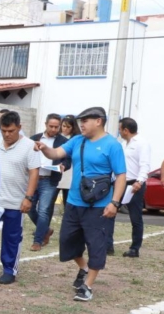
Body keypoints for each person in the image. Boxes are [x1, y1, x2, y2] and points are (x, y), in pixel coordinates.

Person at [35, 107, 126, 302]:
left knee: (96, 245)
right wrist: (44, 148)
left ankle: (88, 286)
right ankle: (83, 268)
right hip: (74, 202)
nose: (81, 124)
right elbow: (55, 153)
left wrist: (115, 203)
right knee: (67, 242)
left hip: (99, 205)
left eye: (85, 121)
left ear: (99, 121)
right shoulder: (77, 141)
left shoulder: (112, 145)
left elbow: (120, 176)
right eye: (80, 121)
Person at [0, 110, 39, 285]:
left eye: (11, 130)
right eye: (4, 130)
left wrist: (28, 198)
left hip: (16, 201)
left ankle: (10, 269)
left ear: (19, 127)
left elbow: (34, 174)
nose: (7, 134)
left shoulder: (30, 146)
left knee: (12, 238)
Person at [28, 113, 69, 251]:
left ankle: (37, 241)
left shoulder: (64, 141)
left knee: (44, 210)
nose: (53, 129)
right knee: (29, 208)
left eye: (56, 127)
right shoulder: (34, 139)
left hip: (49, 180)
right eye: (51, 126)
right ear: (45, 124)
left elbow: (68, 159)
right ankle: (46, 230)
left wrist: (64, 165)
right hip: (33, 179)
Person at [117, 117, 152, 258]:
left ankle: (134, 248)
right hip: (120, 182)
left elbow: (145, 164)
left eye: (120, 129)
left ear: (126, 130)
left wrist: (140, 181)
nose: (119, 132)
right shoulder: (123, 144)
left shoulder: (142, 143)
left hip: (134, 184)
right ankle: (107, 245)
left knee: (135, 217)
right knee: (109, 211)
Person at [57, 115, 79, 208]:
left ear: (73, 128)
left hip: (70, 171)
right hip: (58, 169)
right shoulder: (57, 137)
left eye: (68, 127)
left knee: (67, 201)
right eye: (64, 126)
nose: (65, 129)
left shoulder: (76, 139)